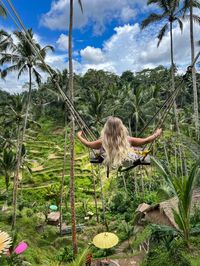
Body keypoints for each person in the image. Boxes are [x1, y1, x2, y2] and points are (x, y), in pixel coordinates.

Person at [77, 116, 162, 167]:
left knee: (101, 151)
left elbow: (87, 144)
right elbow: (146, 140)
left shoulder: (102, 142)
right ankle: (129, 151)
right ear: (121, 128)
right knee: (138, 148)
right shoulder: (127, 140)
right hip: (127, 161)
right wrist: (156, 134)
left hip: (109, 161)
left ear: (106, 129)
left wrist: (79, 136)